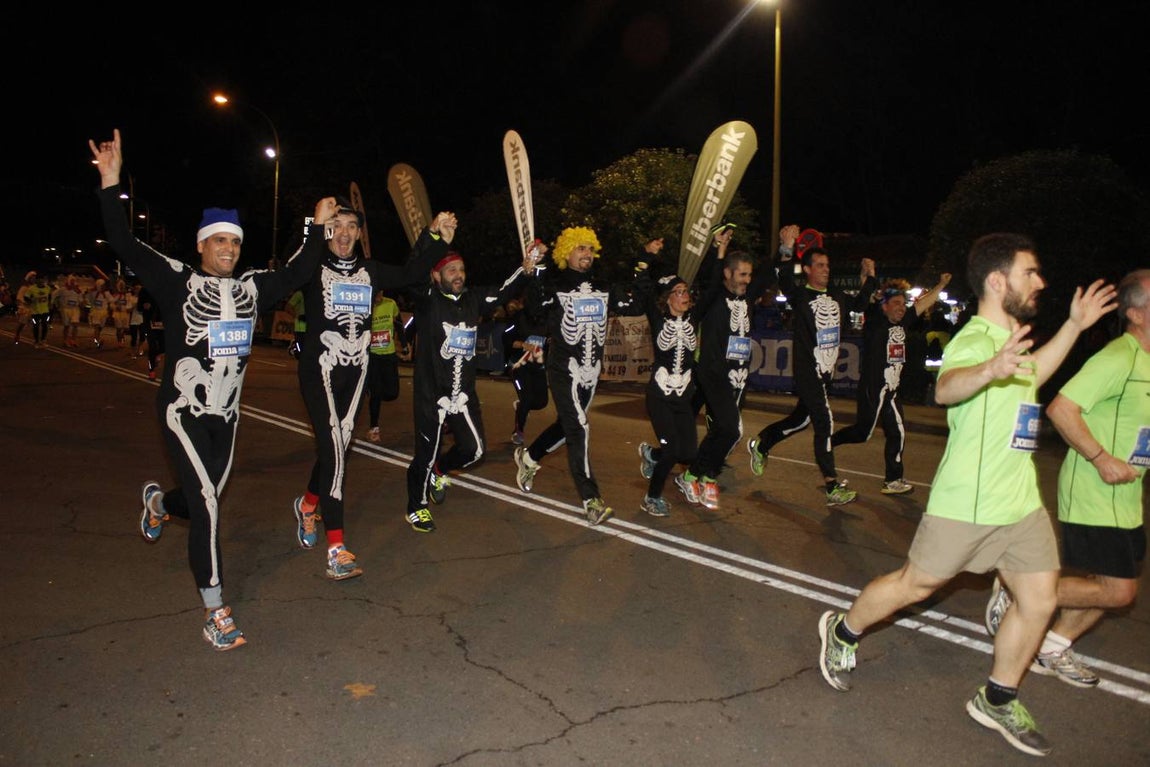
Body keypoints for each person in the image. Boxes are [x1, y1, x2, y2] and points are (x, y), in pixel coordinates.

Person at [816, 232, 1116, 757]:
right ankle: (842, 630)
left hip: (1020, 505)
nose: (1041, 282)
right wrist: (989, 369)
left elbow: (1035, 376)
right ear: (998, 281)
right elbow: (948, 387)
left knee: (1040, 599)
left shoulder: (1014, 342)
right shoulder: (977, 340)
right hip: (969, 505)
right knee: (915, 585)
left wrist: (1072, 326)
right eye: (1030, 272)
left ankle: (997, 697)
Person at [90, 128, 328, 651]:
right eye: (220, 240)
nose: (230, 248)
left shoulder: (251, 288)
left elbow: (297, 273)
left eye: (236, 241)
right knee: (209, 505)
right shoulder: (177, 280)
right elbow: (127, 244)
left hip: (228, 416)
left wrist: (314, 225)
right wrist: (110, 184)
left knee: (205, 500)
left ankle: (157, 504)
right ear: (202, 245)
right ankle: (215, 610)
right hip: (183, 410)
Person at [984, 268, 1150, 689]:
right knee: (1120, 591)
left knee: (1110, 580)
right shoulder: (1119, 358)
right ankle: (1020, 591)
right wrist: (1101, 458)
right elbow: (1060, 408)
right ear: (1136, 314)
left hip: (1127, 494)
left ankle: (1053, 644)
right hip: (1096, 490)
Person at [290, 202, 445, 573]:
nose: (343, 233)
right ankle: (336, 548)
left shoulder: (370, 270)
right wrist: (313, 220)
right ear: (328, 230)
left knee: (338, 447)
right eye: (336, 225)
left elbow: (411, 272)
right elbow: (290, 268)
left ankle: (308, 505)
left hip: (357, 370)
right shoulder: (313, 264)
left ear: (360, 233)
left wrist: (435, 237)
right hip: (321, 368)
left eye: (351, 227)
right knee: (335, 451)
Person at [402, 225, 537, 532]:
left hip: (463, 395)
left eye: (461, 269)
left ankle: (441, 469)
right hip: (431, 394)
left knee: (475, 450)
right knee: (425, 453)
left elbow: (504, 291)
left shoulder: (474, 298)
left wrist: (524, 269)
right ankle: (416, 506)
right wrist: (431, 237)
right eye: (450, 270)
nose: (458, 274)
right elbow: (412, 272)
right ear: (437, 276)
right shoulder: (428, 300)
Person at [513, 226, 645, 525]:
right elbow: (534, 311)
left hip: (591, 371)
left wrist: (644, 267)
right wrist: (534, 272)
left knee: (568, 426)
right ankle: (591, 499)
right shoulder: (555, 284)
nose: (587, 254)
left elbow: (633, 304)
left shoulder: (604, 285)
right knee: (580, 428)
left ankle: (529, 457)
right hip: (564, 370)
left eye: (590, 249)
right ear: (566, 253)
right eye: (580, 248)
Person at [747, 224, 877, 506]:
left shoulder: (838, 297)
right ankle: (832, 485)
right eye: (819, 265)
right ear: (807, 270)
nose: (825, 269)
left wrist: (869, 277)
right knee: (825, 421)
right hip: (807, 372)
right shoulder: (799, 295)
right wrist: (786, 248)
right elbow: (781, 275)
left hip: (825, 373)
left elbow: (861, 304)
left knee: (801, 419)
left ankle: (762, 443)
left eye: (827, 265)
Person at [676, 223, 775, 511]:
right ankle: (700, 473)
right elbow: (709, 280)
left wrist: (785, 249)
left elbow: (768, 272)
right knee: (732, 429)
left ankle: (698, 475)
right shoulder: (714, 298)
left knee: (724, 430)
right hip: (713, 373)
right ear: (728, 274)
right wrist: (717, 252)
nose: (746, 280)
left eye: (748, 275)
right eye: (741, 274)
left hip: (739, 377)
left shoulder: (748, 295)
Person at [830, 273, 951, 494]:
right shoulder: (875, 323)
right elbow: (868, 301)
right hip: (873, 389)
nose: (901, 307)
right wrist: (868, 274)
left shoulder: (904, 321)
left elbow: (923, 303)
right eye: (895, 303)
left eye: (903, 304)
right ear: (884, 307)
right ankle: (828, 443)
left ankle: (893, 480)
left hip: (891, 392)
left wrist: (941, 284)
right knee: (863, 433)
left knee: (897, 432)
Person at [637, 273, 698, 517]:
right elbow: (643, 290)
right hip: (659, 396)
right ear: (669, 298)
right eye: (679, 292)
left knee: (689, 453)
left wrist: (718, 251)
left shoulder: (694, 319)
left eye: (686, 291)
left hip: (683, 397)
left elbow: (716, 287)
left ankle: (652, 454)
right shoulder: (658, 319)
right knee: (673, 450)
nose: (685, 296)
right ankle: (651, 498)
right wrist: (646, 259)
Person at [502, 293, 549, 446]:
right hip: (518, 366)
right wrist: (523, 345)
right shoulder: (518, 318)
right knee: (527, 398)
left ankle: (522, 406)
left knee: (542, 402)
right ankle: (518, 432)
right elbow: (506, 340)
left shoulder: (546, 319)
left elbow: (549, 339)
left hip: (538, 366)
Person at [364, 288, 406, 443]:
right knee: (376, 394)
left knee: (392, 393)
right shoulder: (365, 308)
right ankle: (374, 428)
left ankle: (373, 390)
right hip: (372, 355)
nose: (379, 297)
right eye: (376, 294)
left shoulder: (391, 304)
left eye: (381, 293)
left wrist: (404, 344)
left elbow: (399, 324)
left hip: (389, 353)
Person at [138, 286, 165, 380]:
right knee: (152, 347)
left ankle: (157, 356)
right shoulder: (145, 289)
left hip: (163, 322)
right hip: (150, 323)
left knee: (164, 347)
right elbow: (139, 307)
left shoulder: (166, 288)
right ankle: (152, 371)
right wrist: (144, 306)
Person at [53, 274, 84, 348]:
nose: (73, 282)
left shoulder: (77, 290)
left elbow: (81, 299)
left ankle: (73, 340)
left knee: (75, 325)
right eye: (71, 281)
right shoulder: (62, 289)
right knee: (66, 326)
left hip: (75, 309)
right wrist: (54, 304)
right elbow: (54, 295)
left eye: (74, 281)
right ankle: (65, 340)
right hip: (65, 309)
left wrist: (82, 303)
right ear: (69, 281)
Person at [85, 278, 112, 348]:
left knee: (100, 327)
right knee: (96, 326)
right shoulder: (93, 293)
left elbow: (112, 300)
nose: (103, 287)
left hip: (103, 313)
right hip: (95, 312)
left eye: (104, 285)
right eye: (102, 285)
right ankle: (97, 341)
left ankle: (97, 338)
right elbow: (87, 298)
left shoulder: (106, 293)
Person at [12, 271, 38, 345]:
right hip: (25, 309)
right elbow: (18, 299)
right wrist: (21, 307)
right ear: (29, 279)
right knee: (22, 324)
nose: (34, 279)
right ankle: (17, 334)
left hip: (33, 309)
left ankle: (36, 339)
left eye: (34, 278)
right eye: (32, 278)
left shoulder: (35, 288)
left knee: (35, 324)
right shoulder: (24, 288)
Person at [109, 277, 134, 348]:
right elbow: (111, 304)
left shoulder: (128, 295)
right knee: (119, 328)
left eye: (122, 286)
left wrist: (129, 308)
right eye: (120, 286)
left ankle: (122, 338)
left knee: (125, 328)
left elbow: (130, 303)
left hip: (125, 314)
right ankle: (119, 341)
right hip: (117, 314)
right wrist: (115, 307)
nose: (121, 287)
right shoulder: (115, 295)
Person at [128, 283, 145, 357]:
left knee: (142, 336)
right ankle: (133, 350)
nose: (138, 290)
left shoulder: (144, 299)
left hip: (142, 320)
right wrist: (134, 306)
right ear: (134, 290)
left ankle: (140, 348)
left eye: (140, 289)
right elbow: (128, 310)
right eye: (137, 289)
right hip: (133, 320)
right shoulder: (131, 298)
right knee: (134, 337)